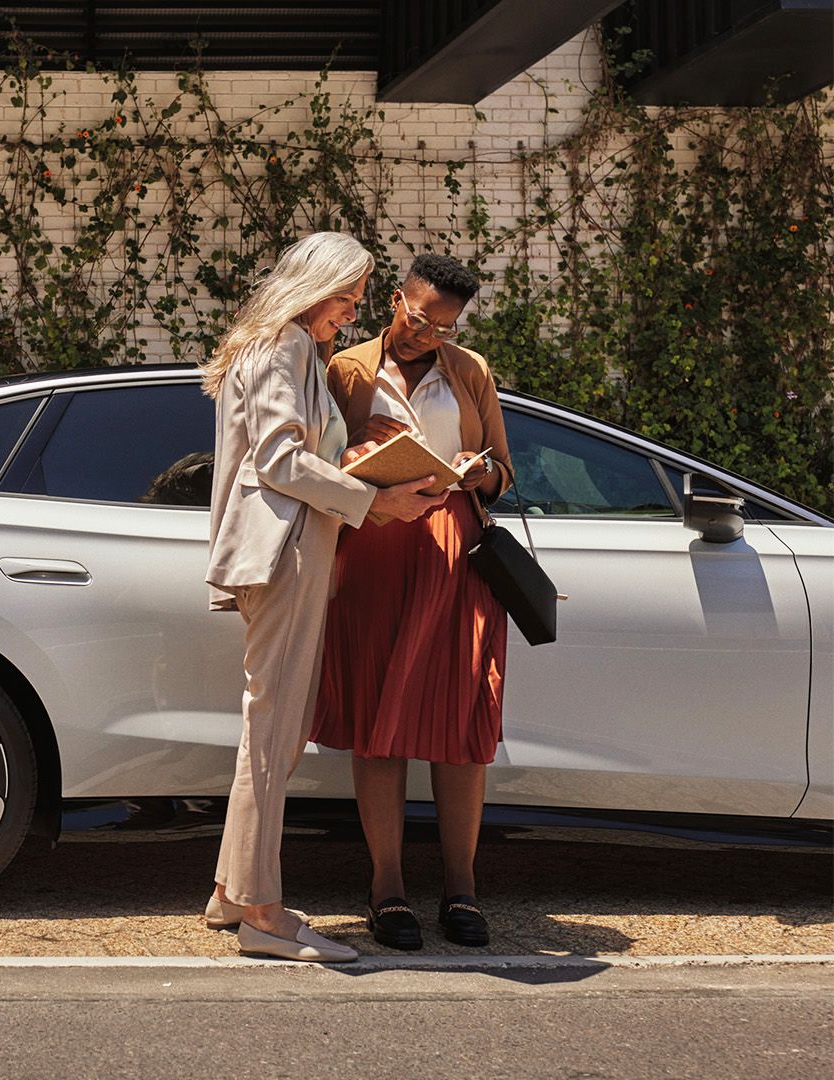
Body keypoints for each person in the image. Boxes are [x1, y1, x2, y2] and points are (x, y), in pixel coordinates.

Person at [202, 232, 446, 963]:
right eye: (347, 292)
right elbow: (278, 459)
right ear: (315, 285)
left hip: (283, 551)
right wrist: (370, 503)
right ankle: (263, 914)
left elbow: (286, 454)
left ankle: (232, 891)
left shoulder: (278, 345)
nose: (354, 307)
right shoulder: (282, 346)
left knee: (269, 726)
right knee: (274, 730)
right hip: (285, 554)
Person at [312, 253, 514, 950]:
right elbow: (312, 460)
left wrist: (479, 470)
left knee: (461, 725)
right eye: (419, 317)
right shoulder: (346, 370)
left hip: (455, 553)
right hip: (373, 547)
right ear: (397, 299)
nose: (427, 336)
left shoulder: (471, 372)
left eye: (445, 329)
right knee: (378, 721)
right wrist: (356, 452)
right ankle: (387, 887)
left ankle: (462, 887)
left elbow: (501, 471)